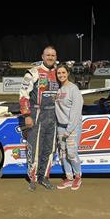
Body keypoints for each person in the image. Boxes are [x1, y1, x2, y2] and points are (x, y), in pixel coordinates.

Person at [19, 46, 59, 191]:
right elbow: (23, 94)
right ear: (42, 56)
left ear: (56, 57)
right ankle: (33, 179)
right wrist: (27, 115)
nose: (50, 57)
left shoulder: (59, 73)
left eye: (53, 55)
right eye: (48, 55)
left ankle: (45, 177)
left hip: (54, 115)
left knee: (50, 149)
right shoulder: (33, 73)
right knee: (35, 148)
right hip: (37, 114)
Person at [55, 65, 84, 190]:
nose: (61, 75)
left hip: (72, 127)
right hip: (60, 127)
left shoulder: (73, 89)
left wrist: (69, 129)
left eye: (63, 72)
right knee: (63, 153)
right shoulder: (59, 90)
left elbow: (76, 111)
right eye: (58, 73)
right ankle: (69, 177)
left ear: (68, 73)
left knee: (71, 153)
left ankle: (78, 177)